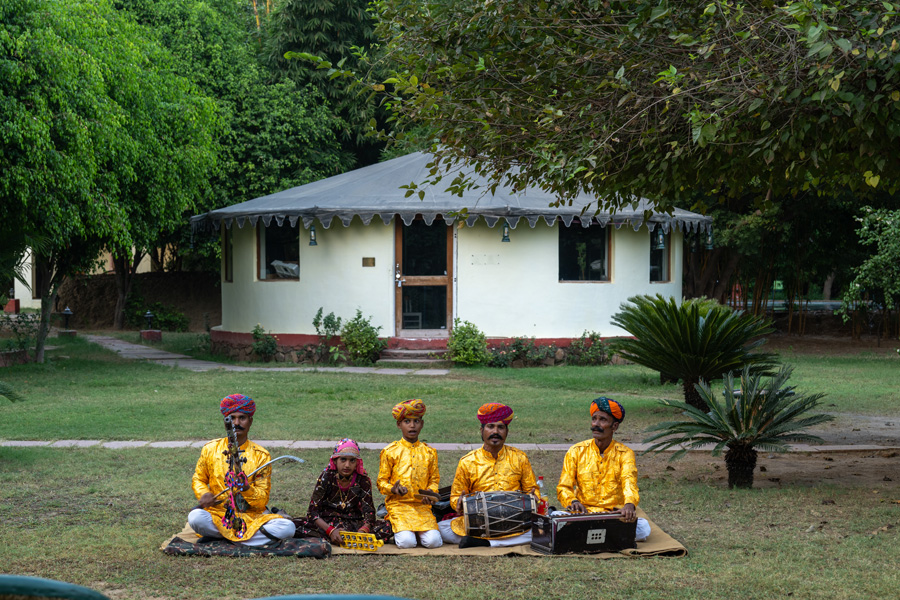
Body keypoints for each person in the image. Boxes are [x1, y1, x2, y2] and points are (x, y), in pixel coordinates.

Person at [188, 394, 296, 545]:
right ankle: (248, 539)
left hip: (253, 517)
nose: (236, 423)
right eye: (232, 418)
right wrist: (204, 493)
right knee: (195, 518)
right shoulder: (210, 449)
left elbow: (261, 501)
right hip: (219, 515)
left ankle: (224, 537)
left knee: (287, 528)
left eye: (242, 418)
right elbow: (198, 479)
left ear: (250, 421)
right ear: (225, 421)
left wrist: (246, 489)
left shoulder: (261, 455)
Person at [439, 402, 538, 548]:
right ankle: (500, 542)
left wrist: (534, 498)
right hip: (479, 523)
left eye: (501, 427)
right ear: (481, 430)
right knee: (442, 529)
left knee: (546, 525)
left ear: (507, 431)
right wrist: (458, 503)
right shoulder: (467, 461)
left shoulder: (520, 458)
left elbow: (533, 490)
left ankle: (487, 543)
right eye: (490, 426)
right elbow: (454, 497)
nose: (495, 431)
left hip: (514, 521)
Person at [556, 397, 651, 542]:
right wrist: (573, 501)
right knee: (554, 518)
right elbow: (563, 487)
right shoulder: (576, 451)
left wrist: (629, 505)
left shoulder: (625, 454)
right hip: (582, 514)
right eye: (594, 419)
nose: (596, 424)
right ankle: (607, 536)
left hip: (613, 516)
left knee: (644, 528)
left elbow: (629, 481)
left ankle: (584, 536)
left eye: (603, 420)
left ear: (615, 426)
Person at [292, 438, 392, 545]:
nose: (347, 465)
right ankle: (344, 539)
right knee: (293, 526)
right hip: (327, 523)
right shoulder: (327, 476)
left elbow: (370, 514)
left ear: (357, 462)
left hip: (354, 524)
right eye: (343, 459)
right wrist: (330, 531)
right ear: (335, 460)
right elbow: (312, 512)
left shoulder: (363, 480)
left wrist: (362, 531)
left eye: (352, 460)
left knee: (389, 527)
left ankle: (352, 538)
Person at [377, 399, 442, 549]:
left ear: (422, 424)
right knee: (407, 543)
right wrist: (393, 489)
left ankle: (413, 532)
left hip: (422, 507)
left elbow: (434, 479)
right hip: (399, 506)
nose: (412, 426)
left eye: (416, 421)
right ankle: (401, 528)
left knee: (434, 542)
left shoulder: (429, 452)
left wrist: (431, 492)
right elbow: (381, 482)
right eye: (407, 421)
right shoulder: (390, 452)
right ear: (399, 425)